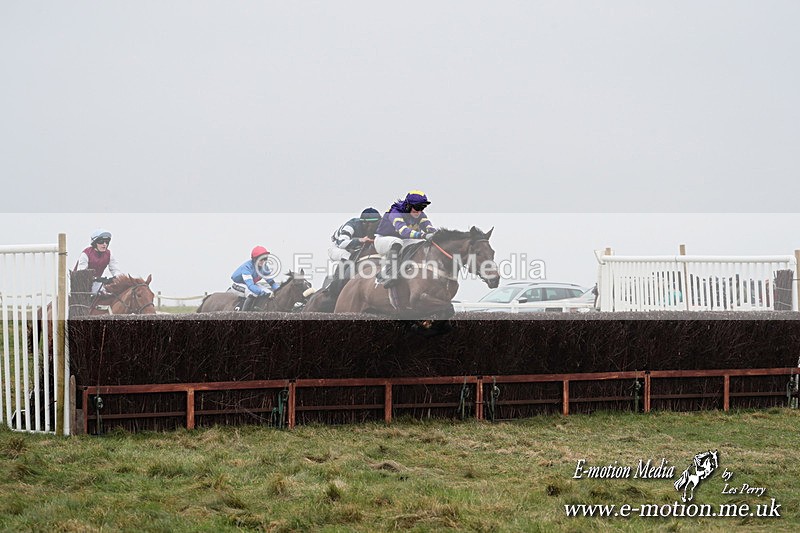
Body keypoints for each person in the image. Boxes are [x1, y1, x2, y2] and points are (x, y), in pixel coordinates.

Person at [374, 190, 437, 287]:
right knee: (397, 242)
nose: (419, 211)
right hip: (383, 240)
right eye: (417, 207)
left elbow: (429, 227)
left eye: (422, 207)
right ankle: (389, 272)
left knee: (421, 243)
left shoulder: (420, 215)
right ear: (408, 205)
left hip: (403, 241)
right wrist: (423, 235)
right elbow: (404, 231)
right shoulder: (395, 212)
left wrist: (437, 235)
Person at [326, 207, 382, 282]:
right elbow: (342, 243)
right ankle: (334, 286)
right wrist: (360, 240)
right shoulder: (352, 225)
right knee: (347, 256)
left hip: (355, 248)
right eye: (375, 224)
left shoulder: (379, 226)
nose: (378, 226)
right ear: (366, 223)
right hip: (338, 247)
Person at [229, 246, 281, 311]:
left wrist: (279, 290)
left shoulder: (264, 267)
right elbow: (250, 286)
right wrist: (261, 292)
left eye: (265, 258)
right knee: (252, 293)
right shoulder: (247, 267)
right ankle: (244, 315)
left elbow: (271, 282)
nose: (263, 261)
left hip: (252, 284)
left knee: (270, 292)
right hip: (238, 285)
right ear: (254, 259)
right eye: (261, 259)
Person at [74, 229, 123, 294]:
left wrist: (116, 278)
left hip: (96, 284)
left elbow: (115, 270)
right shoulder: (85, 254)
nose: (104, 244)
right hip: (80, 286)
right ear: (94, 243)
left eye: (107, 242)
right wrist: (95, 278)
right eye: (101, 242)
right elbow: (81, 273)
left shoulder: (109, 254)